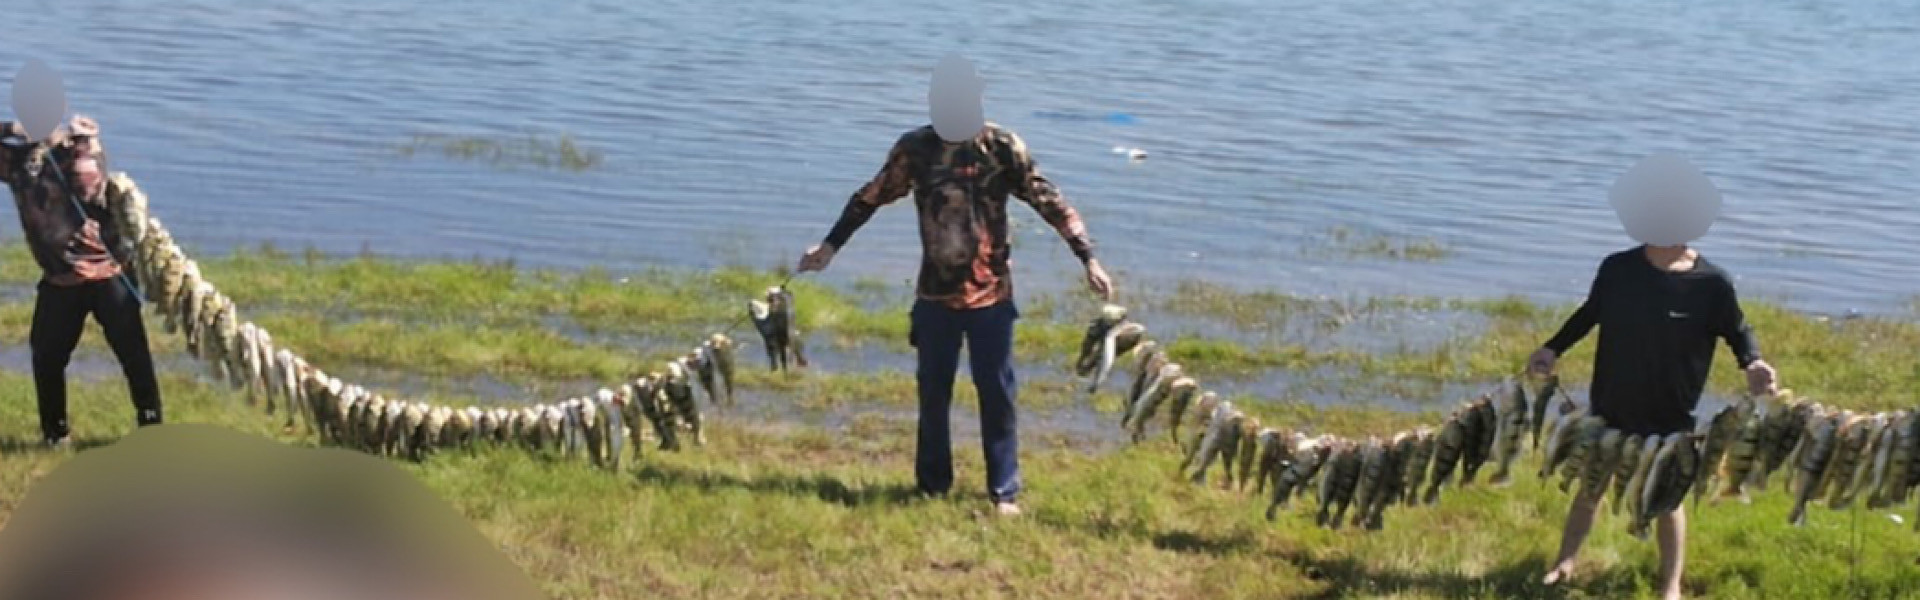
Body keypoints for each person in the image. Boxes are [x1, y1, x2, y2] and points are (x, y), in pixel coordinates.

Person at [797, 56, 1114, 517]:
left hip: (992, 296)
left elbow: (1049, 199)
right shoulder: (916, 149)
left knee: (998, 392)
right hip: (935, 297)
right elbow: (871, 196)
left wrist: (1088, 258)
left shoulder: (1001, 146)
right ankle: (932, 487)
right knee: (933, 392)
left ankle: (1003, 493)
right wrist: (829, 248)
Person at [1529, 242, 1778, 599]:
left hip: (1672, 411)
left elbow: (1738, 331)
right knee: (1590, 487)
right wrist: (1552, 348)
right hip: (1612, 401)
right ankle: (1564, 562)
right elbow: (1589, 313)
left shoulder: (1712, 283)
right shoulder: (1618, 267)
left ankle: (1670, 585)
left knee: (1667, 501)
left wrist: (1752, 361)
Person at [1, 114, 163, 449]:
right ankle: (55, 434)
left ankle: (151, 426)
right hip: (61, 281)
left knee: (133, 354)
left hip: (109, 274)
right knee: (47, 355)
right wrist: (13, 129)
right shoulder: (15, 163)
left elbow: (91, 178)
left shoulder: (78, 151)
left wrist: (72, 140)